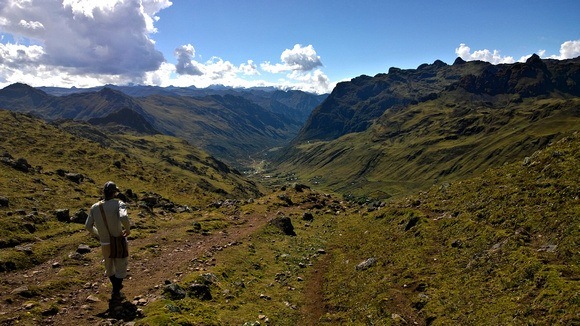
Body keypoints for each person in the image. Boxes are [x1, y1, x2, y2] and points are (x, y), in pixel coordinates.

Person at [85, 181, 131, 300]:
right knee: (121, 264)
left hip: (105, 242)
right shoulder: (119, 203)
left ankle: (115, 288)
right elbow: (124, 217)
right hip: (119, 240)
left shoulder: (95, 207)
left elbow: (88, 226)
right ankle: (116, 290)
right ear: (115, 192)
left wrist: (99, 234)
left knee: (109, 265)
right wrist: (127, 229)